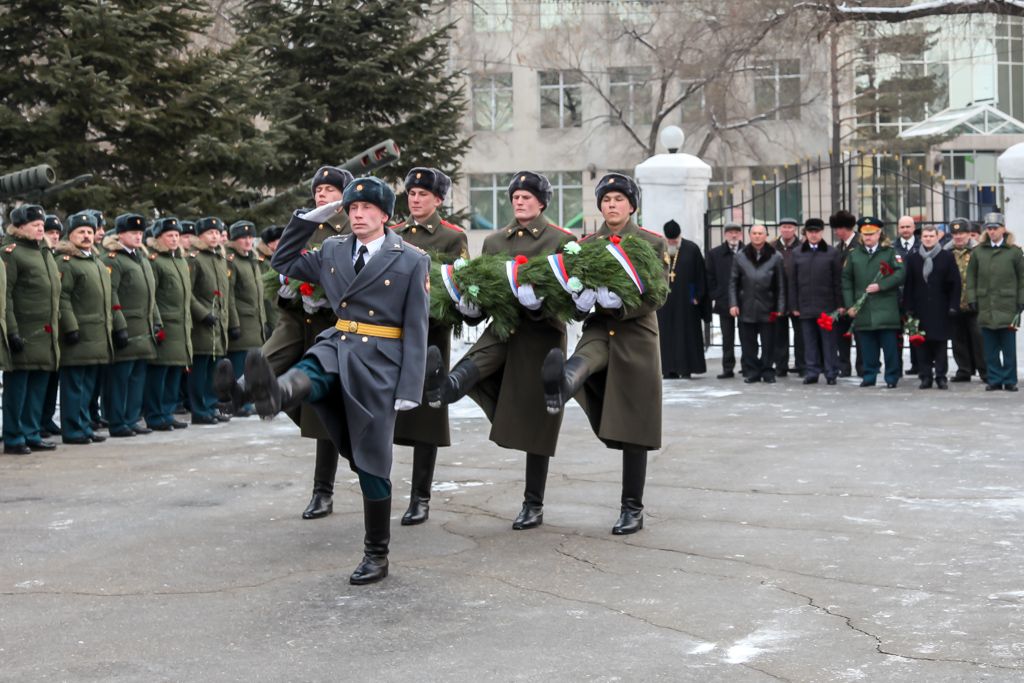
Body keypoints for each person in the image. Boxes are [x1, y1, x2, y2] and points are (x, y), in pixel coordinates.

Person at [246, 176, 430, 585]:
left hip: (381, 362)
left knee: (372, 461)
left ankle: (376, 554)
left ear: (385, 215)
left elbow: (417, 326)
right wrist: (309, 218)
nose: (358, 215)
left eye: (366, 209)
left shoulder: (411, 259)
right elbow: (284, 261)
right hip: (340, 340)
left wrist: (409, 388)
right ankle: (275, 392)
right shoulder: (332, 248)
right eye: (352, 209)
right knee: (312, 369)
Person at [424, 171, 574, 530]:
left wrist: (539, 303)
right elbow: (483, 291)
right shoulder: (494, 242)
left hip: (542, 337)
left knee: (538, 423)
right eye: (515, 197)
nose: (519, 202)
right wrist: (472, 309)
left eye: (526, 197)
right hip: (504, 329)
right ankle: (440, 388)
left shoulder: (560, 240)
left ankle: (533, 504)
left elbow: (570, 298)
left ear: (541, 203)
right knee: (477, 361)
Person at [218, 166, 355, 520]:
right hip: (298, 316)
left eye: (330, 189)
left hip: (332, 326)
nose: (322, 194)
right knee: (273, 352)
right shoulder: (307, 226)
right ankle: (240, 390)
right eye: (318, 189)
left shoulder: (352, 228)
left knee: (321, 413)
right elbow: (285, 262)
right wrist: (286, 288)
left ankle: (322, 492)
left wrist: (326, 295)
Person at [542, 173, 667, 534]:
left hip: (637, 333)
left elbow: (657, 294)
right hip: (600, 327)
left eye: (618, 199)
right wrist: (581, 303)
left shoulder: (650, 242)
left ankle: (632, 508)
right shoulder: (587, 244)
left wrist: (622, 302)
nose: (611, 205)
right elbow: (573, 290)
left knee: (635, 426)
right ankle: (558, 386)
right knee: (584, 360)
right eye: (606, 200)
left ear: (632, 205)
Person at [389, 167, 468, 525]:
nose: (416, 199)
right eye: (412, 193)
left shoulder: (452, 237)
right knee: (383, 412)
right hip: (392, 335)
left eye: (423, 194)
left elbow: (458, 286)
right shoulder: (394, 234)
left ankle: (420, 497)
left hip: (431, 337)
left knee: (426, 417)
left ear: (438, 199)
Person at [2, 204, 60, 454]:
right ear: (20, 227)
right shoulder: (11, 253)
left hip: (45, 332)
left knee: (38, 386)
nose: (40, 228)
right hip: (24, 332)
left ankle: (31, 432)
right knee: (18, 388)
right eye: (35, 225)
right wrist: (12, 331)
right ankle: (14, 436)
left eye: (41, 225)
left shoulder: (44, 252)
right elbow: (7, 295)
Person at [55, 211, 113, 444]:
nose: (87, 236)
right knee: (74, 386)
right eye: (81, 232)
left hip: (97, 334)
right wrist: (70, 326)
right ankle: (72, 429)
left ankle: (84, 425)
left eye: (90, 232)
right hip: (78, 334)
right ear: (71, 235)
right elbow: (62, 297)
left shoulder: (96, 262)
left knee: (88, 386)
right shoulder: (66, 262)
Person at [103, 213, 159, 437]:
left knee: (137, 377)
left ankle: (132, 418)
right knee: (121, 378)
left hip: (143, 328)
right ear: (120, 235)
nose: (138, 237)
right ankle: (117, 421)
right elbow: (111, 294)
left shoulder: (141, 259)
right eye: (132, 233)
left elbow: (150, 295)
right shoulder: (113, 259)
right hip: (126, 326)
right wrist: (119, 325)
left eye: (140, 233)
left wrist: (156, 322)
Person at [842, 216, 905, 388]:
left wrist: (881, 285)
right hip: (864, 309)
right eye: (865, 234)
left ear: (879, 234)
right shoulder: (854, 255)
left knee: (890, 347)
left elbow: (900, 274)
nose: (868, 237)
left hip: (886, 307)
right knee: (867, 346)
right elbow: (846, 281)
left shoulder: (890, 252)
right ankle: (869, 375)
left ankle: (891, 377)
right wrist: (850, 305)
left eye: (872, 234)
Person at [143, 217, 193, 430]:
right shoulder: (155, 261)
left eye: (176, 235)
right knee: (159, 373)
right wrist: (157, 323)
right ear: (159, 238)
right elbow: (151, 295)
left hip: (181, 324)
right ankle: (155, 414)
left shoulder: (180, 260)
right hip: (165, 324)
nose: (174, 239)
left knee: (174, 371)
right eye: (169, 236)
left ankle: (167, 411)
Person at [966, 212, 1024, 392]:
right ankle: (994, 379)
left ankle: (1010, 379)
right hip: (986, 304)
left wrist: (1021, 300)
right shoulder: (978, 252)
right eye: (989, 229)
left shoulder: (1014, 252)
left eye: (995, 228)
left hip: (1008, 304)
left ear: (1003, 229)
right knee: (989, 347)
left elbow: (1022, 278)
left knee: (1008, 347)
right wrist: (972, 298)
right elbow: (971, 277)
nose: (992, 232)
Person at [902, 225, 961, 389]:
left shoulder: (946, 257)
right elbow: (909, 285)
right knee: (922, 344)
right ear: (921, 238)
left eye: (931, 236)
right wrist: (908, 307)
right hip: (920, 309)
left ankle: (941, 376)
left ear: (937, 237)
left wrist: (953, 305)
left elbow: (955, 284)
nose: (928, 238)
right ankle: (925, 376)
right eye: (925, 236)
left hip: (941, 308)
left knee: (940, 344)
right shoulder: (914, 258)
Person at [188, 217, 231, 424]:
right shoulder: (195, 259)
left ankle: (210, 404)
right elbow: (188, 293)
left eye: (217, 232)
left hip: (218, 323)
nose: (214, 236)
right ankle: (199, 409)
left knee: (214, 369)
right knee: (200, 368)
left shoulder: (220, 258)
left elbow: (226, 295)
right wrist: (202, 313)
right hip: (202, 324)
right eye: (209, 233)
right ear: (200, 236)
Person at [729, 224, 784, 384]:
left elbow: (781, 284)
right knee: (748, 343)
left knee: (769, 343)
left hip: (769, 307)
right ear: (749, 235)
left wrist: (780, 307)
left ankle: (768, 371)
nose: (757, 236)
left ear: (766, 235)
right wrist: (733, 303)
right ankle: (752, 371)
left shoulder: (776, 256)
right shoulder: (740, 256)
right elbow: (733, 282)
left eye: (760, 233)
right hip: (747, 306)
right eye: (754, 233)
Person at [790, 217, 842, 385]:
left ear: (821, 232)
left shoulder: (832, 252)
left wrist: (840, 305)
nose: (813, 235)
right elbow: (792, 281)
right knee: (809, 341)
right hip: (805, 305)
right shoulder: (797, 253)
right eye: (810, 232)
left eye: (816, 231)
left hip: (827, 306)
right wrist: (794, 305)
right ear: (805, 233)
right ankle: (811, 372)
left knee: (829, 342)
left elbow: (837, 281)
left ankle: (831, 372)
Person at [223, 220, 268, 417]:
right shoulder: (232, 261)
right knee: (239, 365)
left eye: (250, 237)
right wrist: (234, 323)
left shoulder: (252, 260)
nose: (248, 241)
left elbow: (260, 297)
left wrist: (264, 321)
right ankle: (236, 401)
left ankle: (247, 399)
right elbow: (229, 296)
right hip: (241, 321)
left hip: (255, 322)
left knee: (251, 365)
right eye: (243, 238)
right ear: (234, 240)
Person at [657, 219, 709, 379]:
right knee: (666, 335)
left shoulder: (691, 249)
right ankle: (668, 370)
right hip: (664, 302)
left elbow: (700, 275)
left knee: (685, 334)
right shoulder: (659, 249)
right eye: (669, 240)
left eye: (675, 240)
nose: (672, 243)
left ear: (680, 236)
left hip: (686, 301)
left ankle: (686, 368)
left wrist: (697, 296)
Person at [945, 218, 987, 383]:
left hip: (975, 302)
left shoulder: (979, 250)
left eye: (961, 233)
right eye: (955, 233)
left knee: (979, 339)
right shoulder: (946, 252)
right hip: (955, 303)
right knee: (958, 339)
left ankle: (985, 371)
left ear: (969, 233)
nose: (958, 237)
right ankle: (964, 370)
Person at [706, 223, 743, 378]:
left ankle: (747, 365)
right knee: (727, 337)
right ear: (725, 235)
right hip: (724, 301)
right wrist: (717, 294)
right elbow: (709, 276)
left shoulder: (747, 252)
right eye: (730, 233)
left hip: (744, 300)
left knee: (746, 336)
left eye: (736, 232)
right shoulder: (715, 254)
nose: (733, 236)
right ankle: (727, 367)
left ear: (740, 235)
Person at [40, 214, 64, 438]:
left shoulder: (53, 256)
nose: (54, 237)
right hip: (42, 326)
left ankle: (46, 418)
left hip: (56, 326)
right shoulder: (49, 257)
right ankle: (40, 420)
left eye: (57, 233)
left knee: (52, 377)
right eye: (50, 232)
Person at [831, 210, 862, 377]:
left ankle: (862, 366)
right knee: (841, 335)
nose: (836, 232)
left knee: (860, 335)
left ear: (845, 228)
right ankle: (844, 366)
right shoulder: (839, 247)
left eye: (837, 228)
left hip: (858, 298)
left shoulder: (860, 244)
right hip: (841, 298)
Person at [772, 217, 804, 377]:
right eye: (784, 227)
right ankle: (781, 365)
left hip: (798, 296)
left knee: (801, 334)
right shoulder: (771, 247)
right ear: (780, 229)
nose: (786, 230)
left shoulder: (802, 247)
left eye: (790, 227)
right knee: (779, 334)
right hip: (778, 297)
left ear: (795, 230)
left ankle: (801, 364)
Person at [894, 215, 921, 376]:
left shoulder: (921, 245)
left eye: (908, 227)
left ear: (913, 228)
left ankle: (918, 364)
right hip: (897, 298)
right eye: (902, 227)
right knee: (897, 334)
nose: (905, 230)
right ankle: (897, 366)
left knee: (915, 332)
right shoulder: (892, 247)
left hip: (916, 296)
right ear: (898, 228)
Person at [256, 224, 283, 336]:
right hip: (271, 312)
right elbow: (266, 293)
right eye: (276, 241)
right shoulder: (263, 261)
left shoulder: (281, 257)